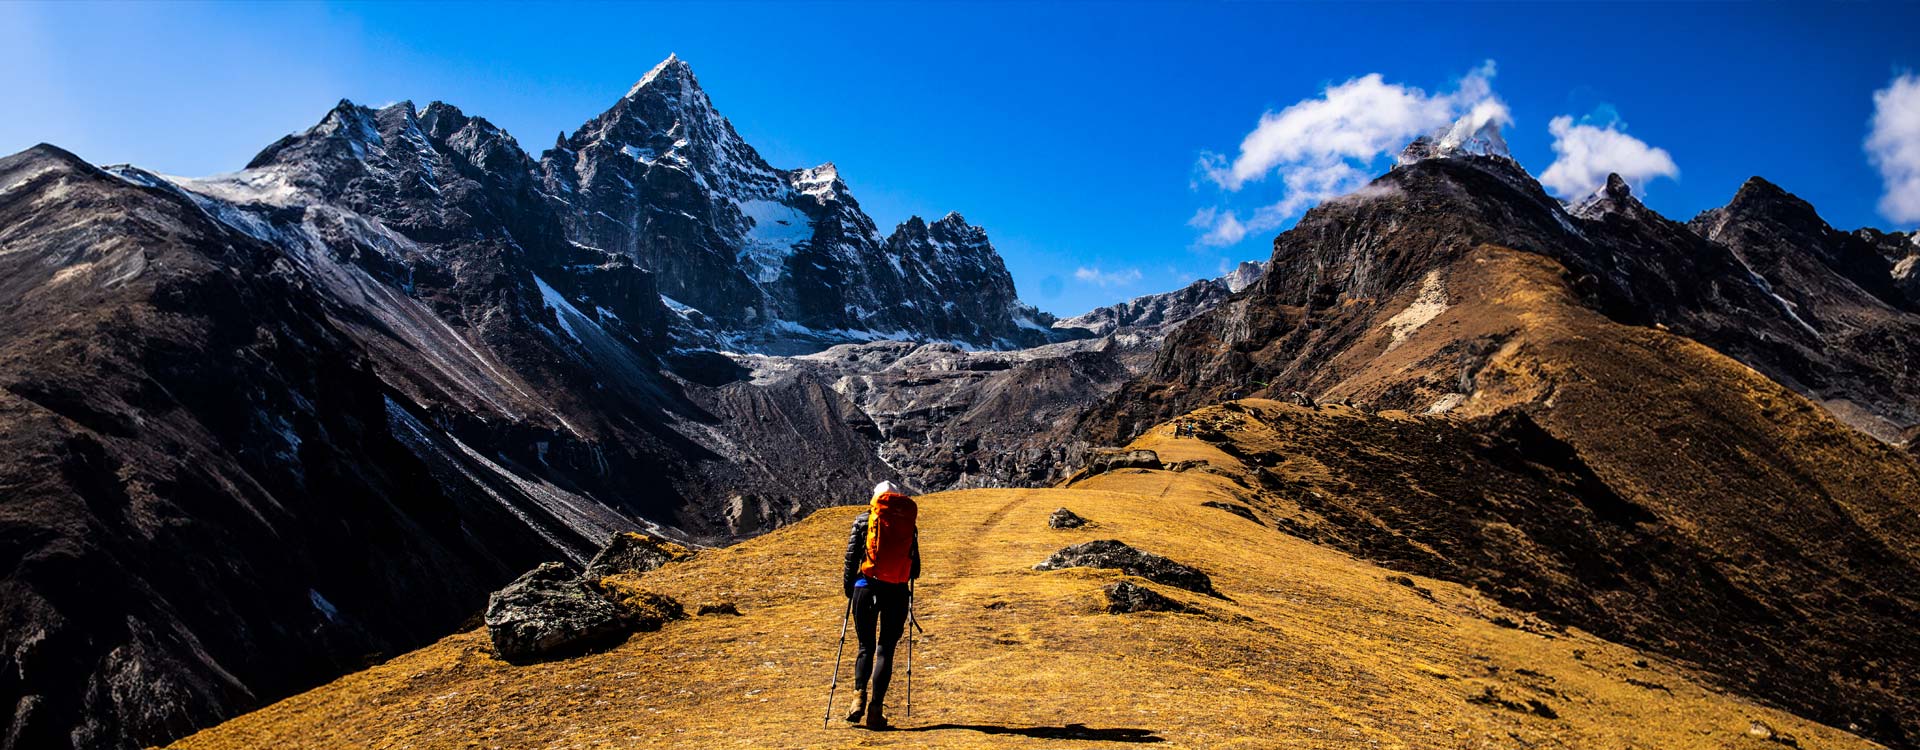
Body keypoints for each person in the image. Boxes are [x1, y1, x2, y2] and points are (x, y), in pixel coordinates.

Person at [841, 480, 920, 730]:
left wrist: (849, 591)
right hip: (896, 592)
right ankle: (876, 711)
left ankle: (857, 699)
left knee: (865, 646)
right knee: (886, 649)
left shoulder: (864, 520)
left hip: (865, 587)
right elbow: (915, 569)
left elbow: (851, 558)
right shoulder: (909, 525)